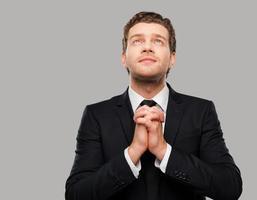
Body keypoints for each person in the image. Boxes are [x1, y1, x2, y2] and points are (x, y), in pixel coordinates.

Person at [65, 11, 242, 200]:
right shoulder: (97, 115)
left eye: (158, 41)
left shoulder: (201, 111)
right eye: (137, 41)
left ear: (172, 58)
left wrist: (164, 151)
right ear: (123, 57)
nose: (147, 47)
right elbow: (76, 194)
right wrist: (133, 152)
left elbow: (230, 186)